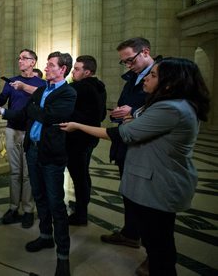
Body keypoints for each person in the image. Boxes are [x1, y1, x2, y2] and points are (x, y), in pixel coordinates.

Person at [60, 57, 210, 276]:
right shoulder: (164, 103)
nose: (146, 78)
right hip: (151, 180)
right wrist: (131, 120)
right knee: (154, 237)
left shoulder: (171, 108)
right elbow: (132, 121)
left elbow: (123, 133)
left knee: (159, 243)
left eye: (153, 75)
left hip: (160, 182)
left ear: (170, 83)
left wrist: (78, 126)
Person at [0, 51, 77, 276]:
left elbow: (49, 117)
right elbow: (25, 114)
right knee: (40, 197)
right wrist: (0, 110)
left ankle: (63, 256)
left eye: (51, 65)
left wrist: (36, 108)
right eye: (46, 65)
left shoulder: (68, 92)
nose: (46, 68)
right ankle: (45, 237)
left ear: (62, 69)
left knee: (56, 204)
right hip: (33, 150)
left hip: (51, 155)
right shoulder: (41, 91)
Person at [0, 49, 46, 228]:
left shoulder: (41, 84)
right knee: (15, 172)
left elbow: (42, 103)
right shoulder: (11, 81)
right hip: (12, 130)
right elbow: (0, 101)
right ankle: (13, 207)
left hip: (30, 132)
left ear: (33, 62)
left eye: (24, 58)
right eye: (19, 58)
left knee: (28, 175)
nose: (20, 61)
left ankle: (28, 210)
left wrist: (24, 88)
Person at [101, 37, 158, 248]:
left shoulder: (162, 77)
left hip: (146, 147)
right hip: (127, 143)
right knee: (129, 192)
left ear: (145, 52)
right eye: (124, 62)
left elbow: (157, 110)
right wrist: (120, 114)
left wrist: (131, 112)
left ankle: (153, 255)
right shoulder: (131, 78)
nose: (127, 65)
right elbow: (127, 107)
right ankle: (131, 233)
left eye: (130, 60)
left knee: (146, 202)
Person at [66, 55, 107, 225]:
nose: (73, 72)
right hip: (91, 136)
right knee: (82, 174)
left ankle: (81, 214)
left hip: (78, 138)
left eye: (76, 69)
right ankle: (82, 205)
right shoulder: (99, 86)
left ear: (87, 72)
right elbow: (102, 114)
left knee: (79, 175)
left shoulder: (79, 87)